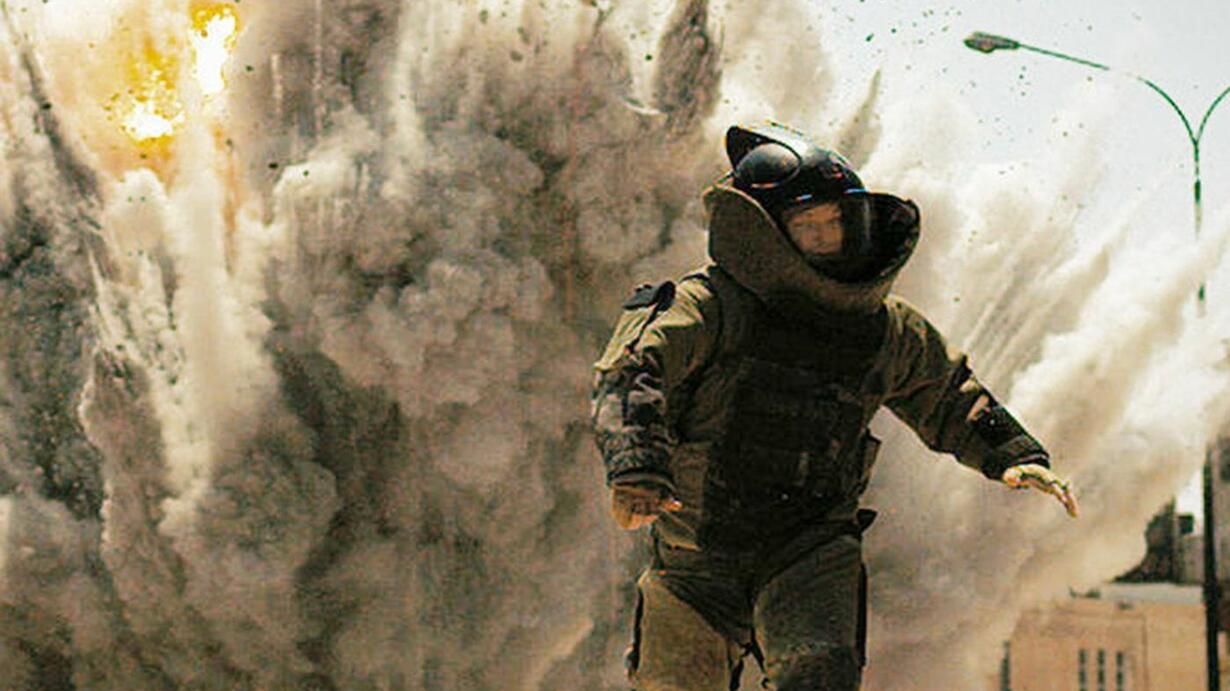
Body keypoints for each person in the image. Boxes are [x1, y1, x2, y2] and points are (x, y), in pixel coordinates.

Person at [589, 121, 1078, 691]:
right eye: (808, 226)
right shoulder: (709, 306)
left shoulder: (883, 329)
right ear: (764, 232)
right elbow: (631, 370)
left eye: (835, 223)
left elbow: (946, 393)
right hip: (695, 555)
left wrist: (1013, 456)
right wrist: (637, 470)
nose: (827, 238)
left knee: (818, 671)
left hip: (810, 548)